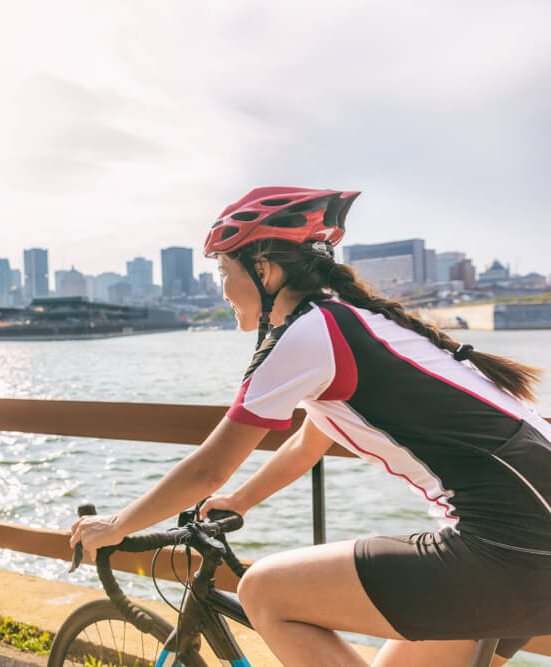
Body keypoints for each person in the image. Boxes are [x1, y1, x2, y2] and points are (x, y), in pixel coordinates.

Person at [69, 186, 551, 666]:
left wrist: (115, 525)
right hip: (528, 548)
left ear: (264, 268)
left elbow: (208, 471)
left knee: (264, 591)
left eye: (224, 271)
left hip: (505, 550)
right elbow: (310, 439)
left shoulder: (308, 332)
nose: (222, 286)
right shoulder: (353, 321)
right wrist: (240, 502)